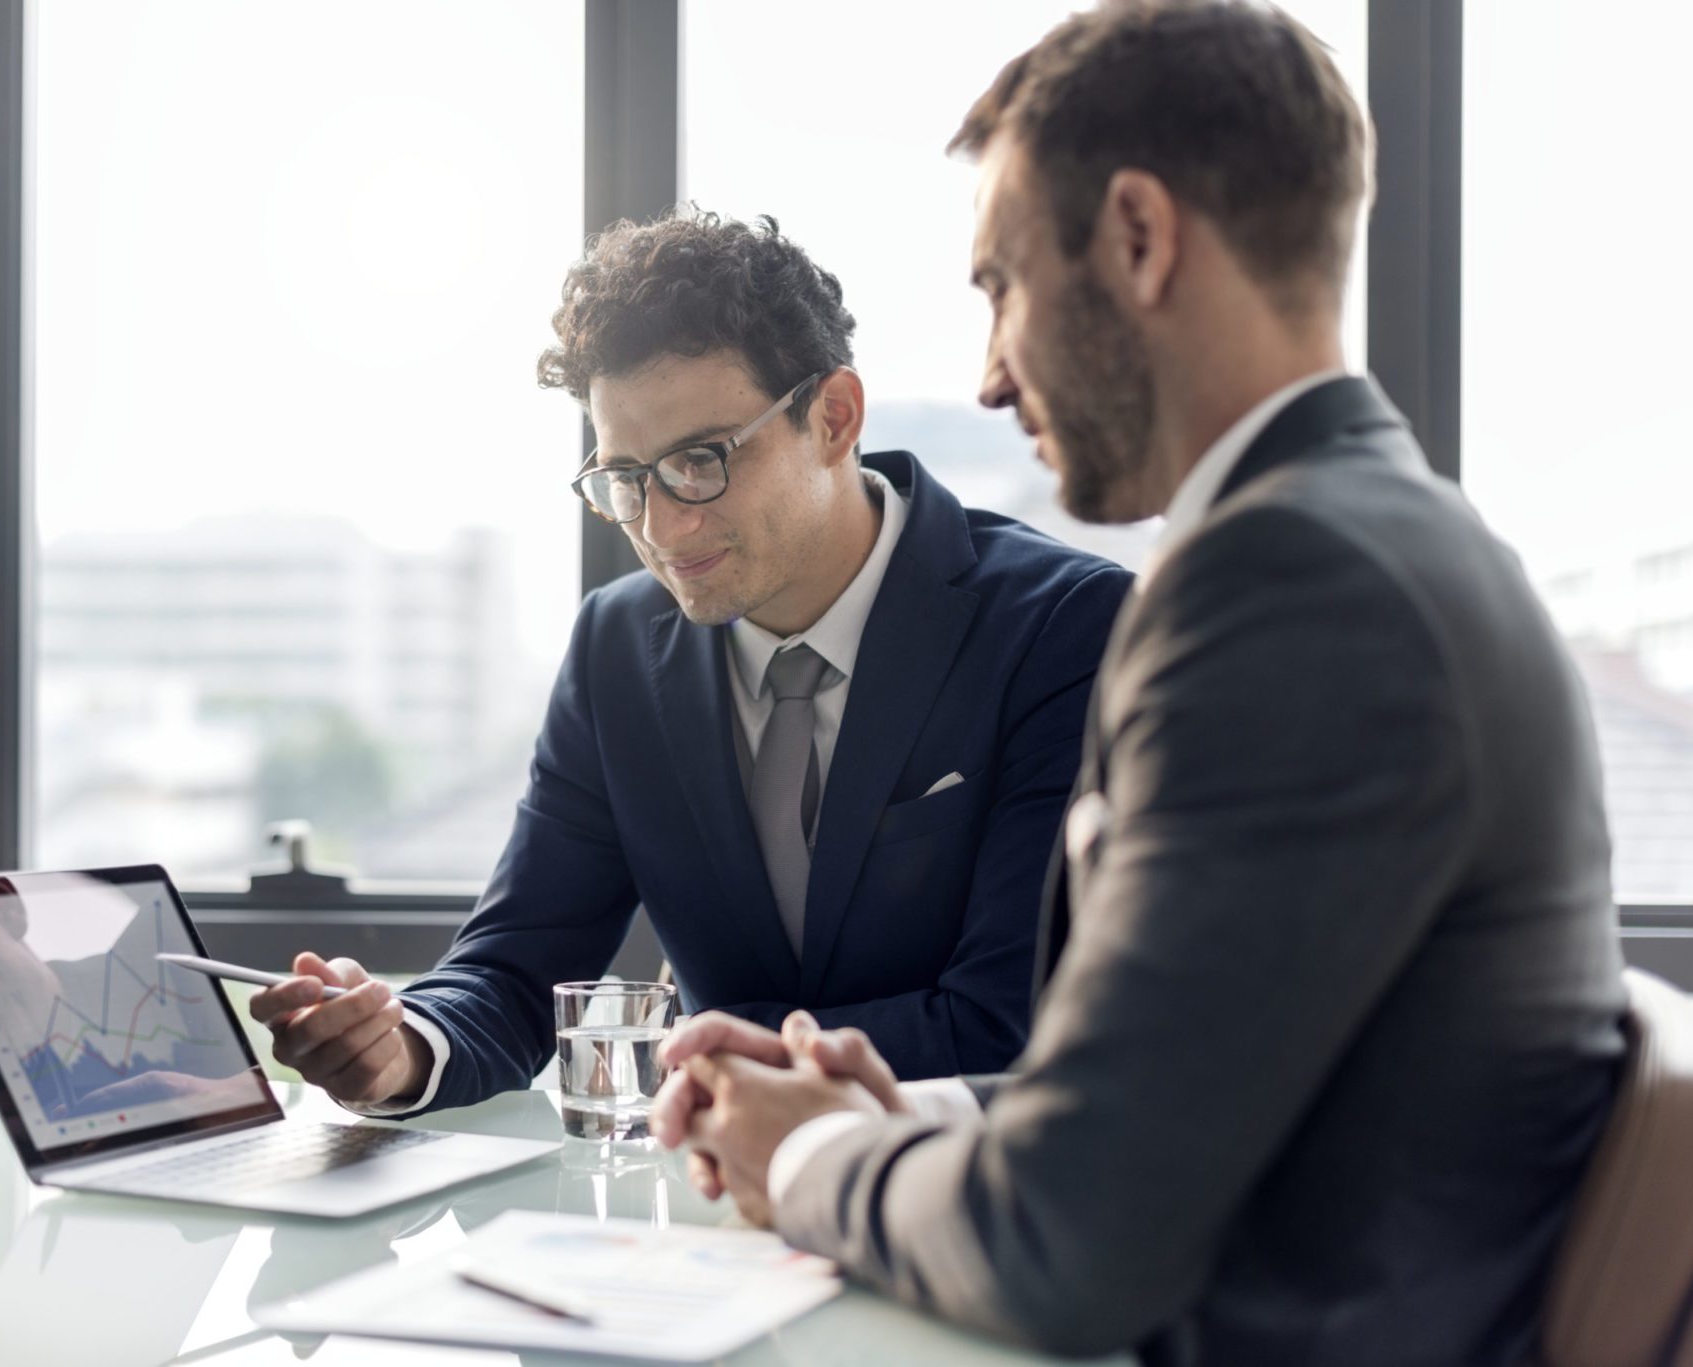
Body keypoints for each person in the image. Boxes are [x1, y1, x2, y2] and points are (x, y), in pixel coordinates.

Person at [652, 5, 1628, 1364]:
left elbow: (1072, 1244)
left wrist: (808, 1156)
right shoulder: (1379, 539)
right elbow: (1199, 1088)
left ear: (1138, 236)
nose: (990, 376)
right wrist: (917, 1117)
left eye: (1000, 285)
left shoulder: (1293, 590)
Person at [248, 210, 1132, 1117]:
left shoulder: (1064, 629)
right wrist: (400, 1046)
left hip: (960, 1202)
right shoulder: (616, 648)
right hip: (705, 1208)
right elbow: (516, 965)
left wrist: (696, 1052)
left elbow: (1010, 1025)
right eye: (626, 478)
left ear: (833, 417)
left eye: (701, 461)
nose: (665, 527)